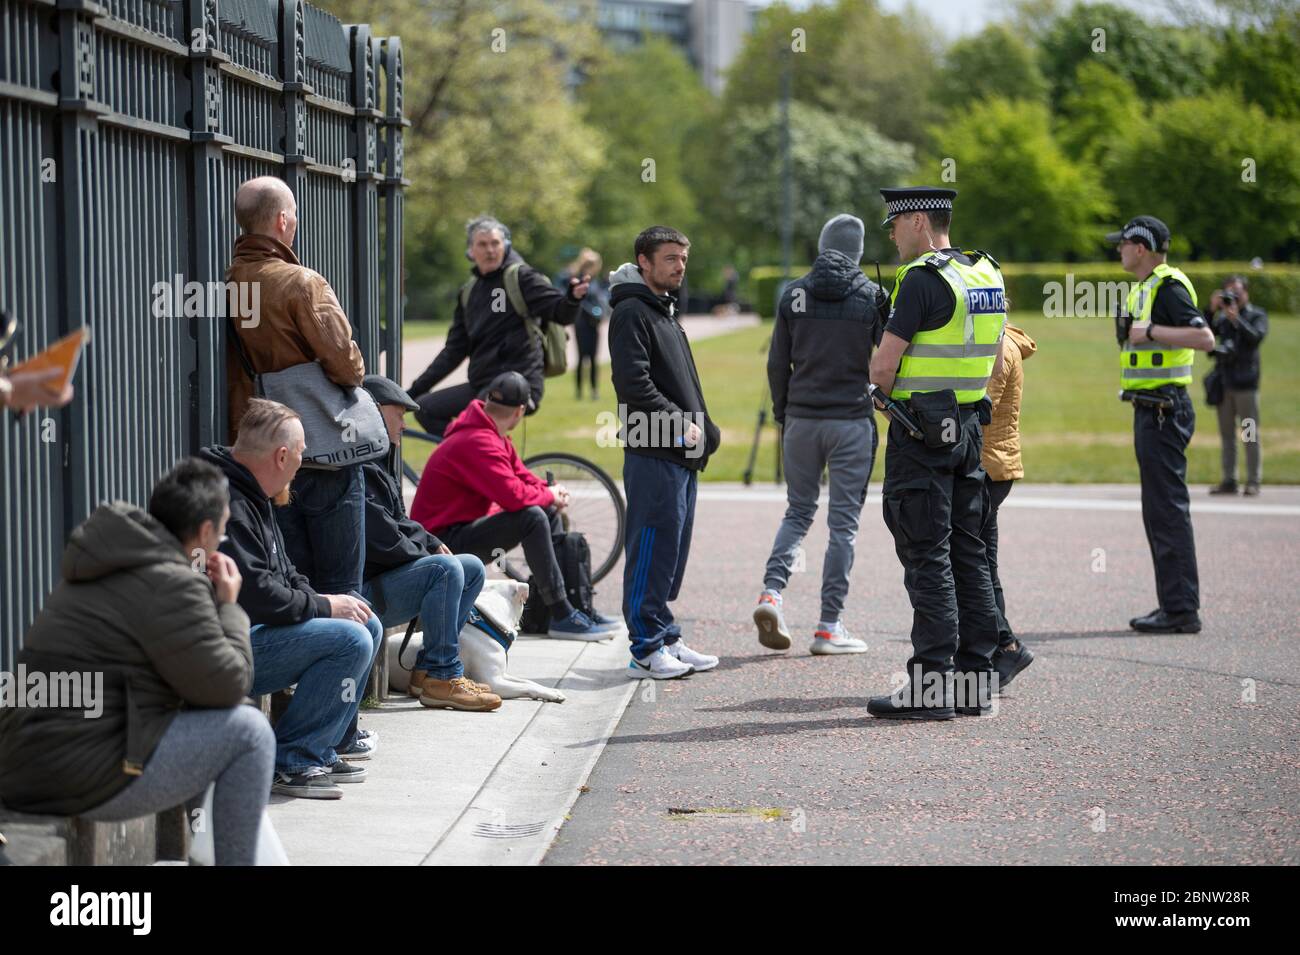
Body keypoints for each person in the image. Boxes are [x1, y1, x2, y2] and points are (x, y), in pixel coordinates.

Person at [0, 459, 275, 865]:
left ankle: (208, 855)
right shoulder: (171, 583)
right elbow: (229, 683)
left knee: (211, 720)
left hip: (29, 762)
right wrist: (230, 607)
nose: (223, 538)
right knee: (249, 732)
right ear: (203, 531)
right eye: (222, 527)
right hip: (78, 775)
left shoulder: (112, 561)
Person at [866, 187, 1007, 720]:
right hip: (970, 427)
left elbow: (883, 367)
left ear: (919, 222)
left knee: (927, 555)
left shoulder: (922, 279)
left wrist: (883, 393)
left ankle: (930, 684)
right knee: (969, 553)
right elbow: (996, 358)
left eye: (894, 225)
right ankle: (975, 681)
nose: (891, 234)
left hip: (920, 435)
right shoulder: (985, 271)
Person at [200, 399, 383, 799]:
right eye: (300, 455)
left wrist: (323, 598)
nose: (302, 464)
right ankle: (293, 760)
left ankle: (320, 745)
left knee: (365, 621)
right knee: (350, 638)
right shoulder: (226, 500)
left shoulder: (250, 490)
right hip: (223, 652)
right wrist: (324, 606)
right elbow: (256, 594)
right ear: (282, 456)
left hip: (250, 633)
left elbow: (283, 572)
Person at [225, 176, 370, 596]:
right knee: (343, 586)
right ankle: (352, 657)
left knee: (293, 583)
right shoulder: (301, 283)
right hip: (323, 447)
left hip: (262, 453)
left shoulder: (229, 283)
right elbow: (349, 368)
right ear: (283, 221)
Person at [754, 213, 885, 656]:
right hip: (850, 421)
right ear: (858, 252)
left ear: (822, 245)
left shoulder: (793, 294)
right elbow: (886, 365)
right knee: (843, 526)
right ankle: (829, 626)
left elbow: (777, 364)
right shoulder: (872, 297)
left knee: (798, 512)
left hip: (802, 420)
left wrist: (783, 414)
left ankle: (772, 592)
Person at [411, 370, 620, 640]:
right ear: (520, 411)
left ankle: (572, 607)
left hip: (456, 531)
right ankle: (561, 613)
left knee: (543, 509)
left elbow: (521, 476)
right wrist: (549, 495)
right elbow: (513, 496)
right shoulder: (477, 441)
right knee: (531, 516)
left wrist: (549, 492)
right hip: (442, 546)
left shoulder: (487, 432)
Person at [609, 226, 721, 680]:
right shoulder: (632, 311)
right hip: (654, 450)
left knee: (671, 553)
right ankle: (644, 648)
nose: (679, 266)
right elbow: (633, 385)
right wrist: (684, 426)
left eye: (683, 259)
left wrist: (703, 429)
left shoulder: (662, 310)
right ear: (644, 261)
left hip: (679, 454)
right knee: (651, 551)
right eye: (670, 258)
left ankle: (666, 634)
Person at [358, 374, 500, 712]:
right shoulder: (358, 464)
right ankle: (443, 674)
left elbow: (398, 523)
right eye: (399, 415)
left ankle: (425, 670)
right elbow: (383, 541)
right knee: (446, 568)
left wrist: (430, 540)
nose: (404, 425)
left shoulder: (378, 460)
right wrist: (428, 552)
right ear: (376, 413)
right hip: (362, 593)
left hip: (381, 580)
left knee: (472, 567)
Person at [1109, 215, 1215, 634]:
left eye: (1123, 244)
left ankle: (1181, 609)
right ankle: (1174, 604)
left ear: (1141, 248)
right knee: (1160, 510)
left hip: (1163, 411)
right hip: (1152, 409)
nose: (1118, 249)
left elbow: (1204, 338)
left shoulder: (1167, 286)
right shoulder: (1147, 287)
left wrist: (1151, 330)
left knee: (1167, 511)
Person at [408, 216, 589, 436]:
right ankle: (471, 460)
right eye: (482, 244)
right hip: (482, 385)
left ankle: (481, 458)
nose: (490, 250)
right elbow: (453, 351)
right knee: (426, 409)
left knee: (475, 427)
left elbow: (560, 313)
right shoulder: (469, 292)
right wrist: (414, 392)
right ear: (471, 251)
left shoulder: (520, 277)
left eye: (495, 243)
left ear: (506, 246)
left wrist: (572, 299)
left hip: (517, 383)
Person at [980, 322, 1037, 687]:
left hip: (988, 466)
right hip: (992, 464)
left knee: (973, 565)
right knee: (982, 562)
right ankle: (1000, 646)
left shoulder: (1000, 347)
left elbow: (981, 406)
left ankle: (1005, 645)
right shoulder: (999, 341)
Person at [1207, 275, 1267, 496]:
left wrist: (1236, 320)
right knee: (1227, 436)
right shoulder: (1222, 318)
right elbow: (1207, 337)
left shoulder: (1256, 315)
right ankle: (1229, 480)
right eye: (1229, 292)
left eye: (1237, 291)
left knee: (1249, 435)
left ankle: (1253, 480)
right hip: (1225, 385)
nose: (1234, 296)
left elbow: (1255, 338)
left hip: (1246, 389)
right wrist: (1211, 310)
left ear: (1246, 293)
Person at [557, 248, 609, 401]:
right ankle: (579, 391)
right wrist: (592, 310)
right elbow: (577, 301)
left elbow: (599, 299)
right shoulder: (578, 280)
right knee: (581, 358)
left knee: (593, 358)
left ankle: (594, 390)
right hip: (582, 322)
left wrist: (599, 312)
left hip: (594, 323)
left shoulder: (594, 281)